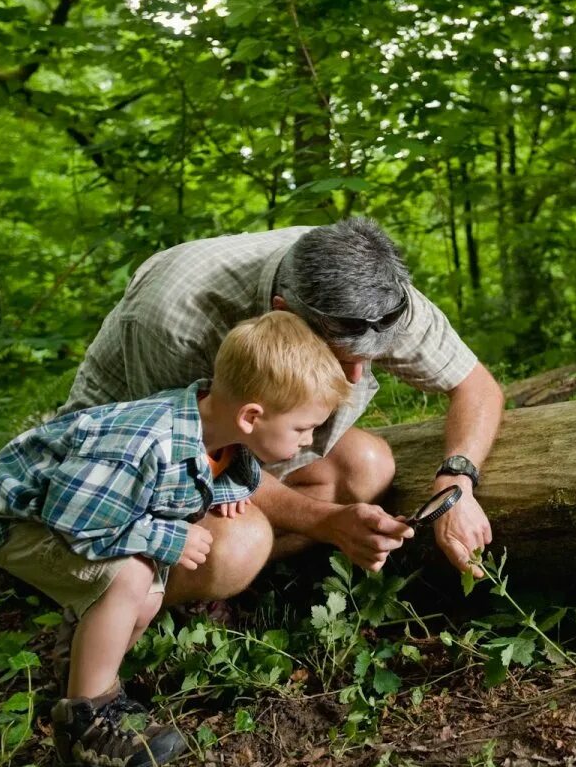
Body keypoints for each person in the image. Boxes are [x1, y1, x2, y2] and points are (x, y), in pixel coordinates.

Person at [0, 312, 352, 767]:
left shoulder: (224, 437)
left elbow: (220, 473)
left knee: (149, 595)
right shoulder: (145, 441)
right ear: (252, 416)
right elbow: (72, 517)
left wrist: (227, 492)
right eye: (302, 428)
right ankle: (84, 726)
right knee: (130, 576)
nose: (310, 441)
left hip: (83, 515)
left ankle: (90, 683)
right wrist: (167, 538)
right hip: (22, 522)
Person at [60, 217, 504, 598]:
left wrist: (457, 482)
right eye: (340, 357)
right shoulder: (180, 317)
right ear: (283, 311)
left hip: (238, 446)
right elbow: (183, 460)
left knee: (367, 466)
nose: (355, 377)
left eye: (369, 358)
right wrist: (328, 522)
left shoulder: (373, 289)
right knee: (235, 546)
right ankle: (113, 602)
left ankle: (241, 584)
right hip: (123, 476)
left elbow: (476, 387)